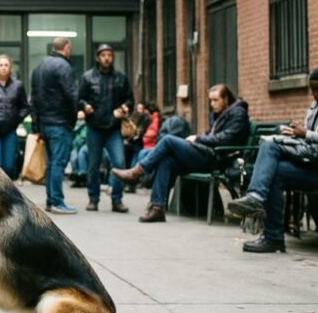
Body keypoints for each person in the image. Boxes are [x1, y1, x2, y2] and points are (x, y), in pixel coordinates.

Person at [228, 67, 318, 253]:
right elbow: (312, 139)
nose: (315, 94)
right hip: (316, 161)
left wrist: (306, 134)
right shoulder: (317, 106)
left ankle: (264, 217)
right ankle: (268, 226)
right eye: (313, 90)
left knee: (273, 163)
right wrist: (295, 135)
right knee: (271, 157)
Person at [113, 85, 249, 223]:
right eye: (210, 100)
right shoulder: (221, 114)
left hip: (219, 159)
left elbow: (226, 139)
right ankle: (157, 208)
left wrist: (198, 139)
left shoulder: (238, 114)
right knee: (167, 160)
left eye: (215, 100)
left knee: (168, 141)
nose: (212, 104)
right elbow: (213, 135)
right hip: (209, 154)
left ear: (226, 99)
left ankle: (137, 172)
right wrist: (198, 140)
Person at [77, 43, 134, 213]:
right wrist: (85, 106)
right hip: (94, 126)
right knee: (93, 164)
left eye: (109, 55)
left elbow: (130, 99)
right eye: (103, 55)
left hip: (113, 128)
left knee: (119, 162)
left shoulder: (121, 77)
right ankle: (93, 199)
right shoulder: (87, 77)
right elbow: (79, 99)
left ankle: (117, 199)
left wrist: (124, 107)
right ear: (97, 57)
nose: (107, 58)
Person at [29, 37, 79, 215]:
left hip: (45, 124)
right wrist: (75, 116)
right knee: (58, 163)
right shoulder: (64, 67)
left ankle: (51, 200)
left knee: (51, 164)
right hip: (60, 122)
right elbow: (71, 95)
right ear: (66, 48)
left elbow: (33, 100)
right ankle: (57, 201)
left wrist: (36, 127)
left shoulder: (39, 68)